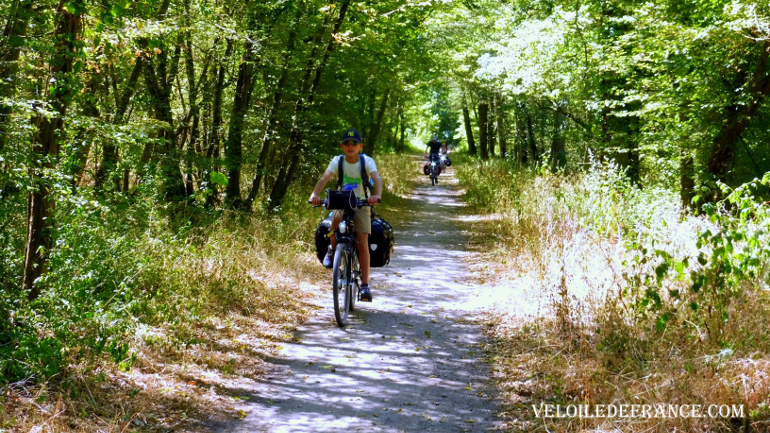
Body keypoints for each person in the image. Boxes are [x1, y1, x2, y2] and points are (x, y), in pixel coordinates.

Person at [309, 128, 382, 302]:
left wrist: (376, 195)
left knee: (362, 242)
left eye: (354, 143)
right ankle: (333, 249)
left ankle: (364, 285)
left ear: (360, 146)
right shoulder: (338, 161)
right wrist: (315, 195)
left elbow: (377, 179)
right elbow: (325, 178)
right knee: (335, 220)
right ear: (342, 146)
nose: (351, 146)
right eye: (347, 143)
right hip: (341, 200)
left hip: (362, 202)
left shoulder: (367, 161)